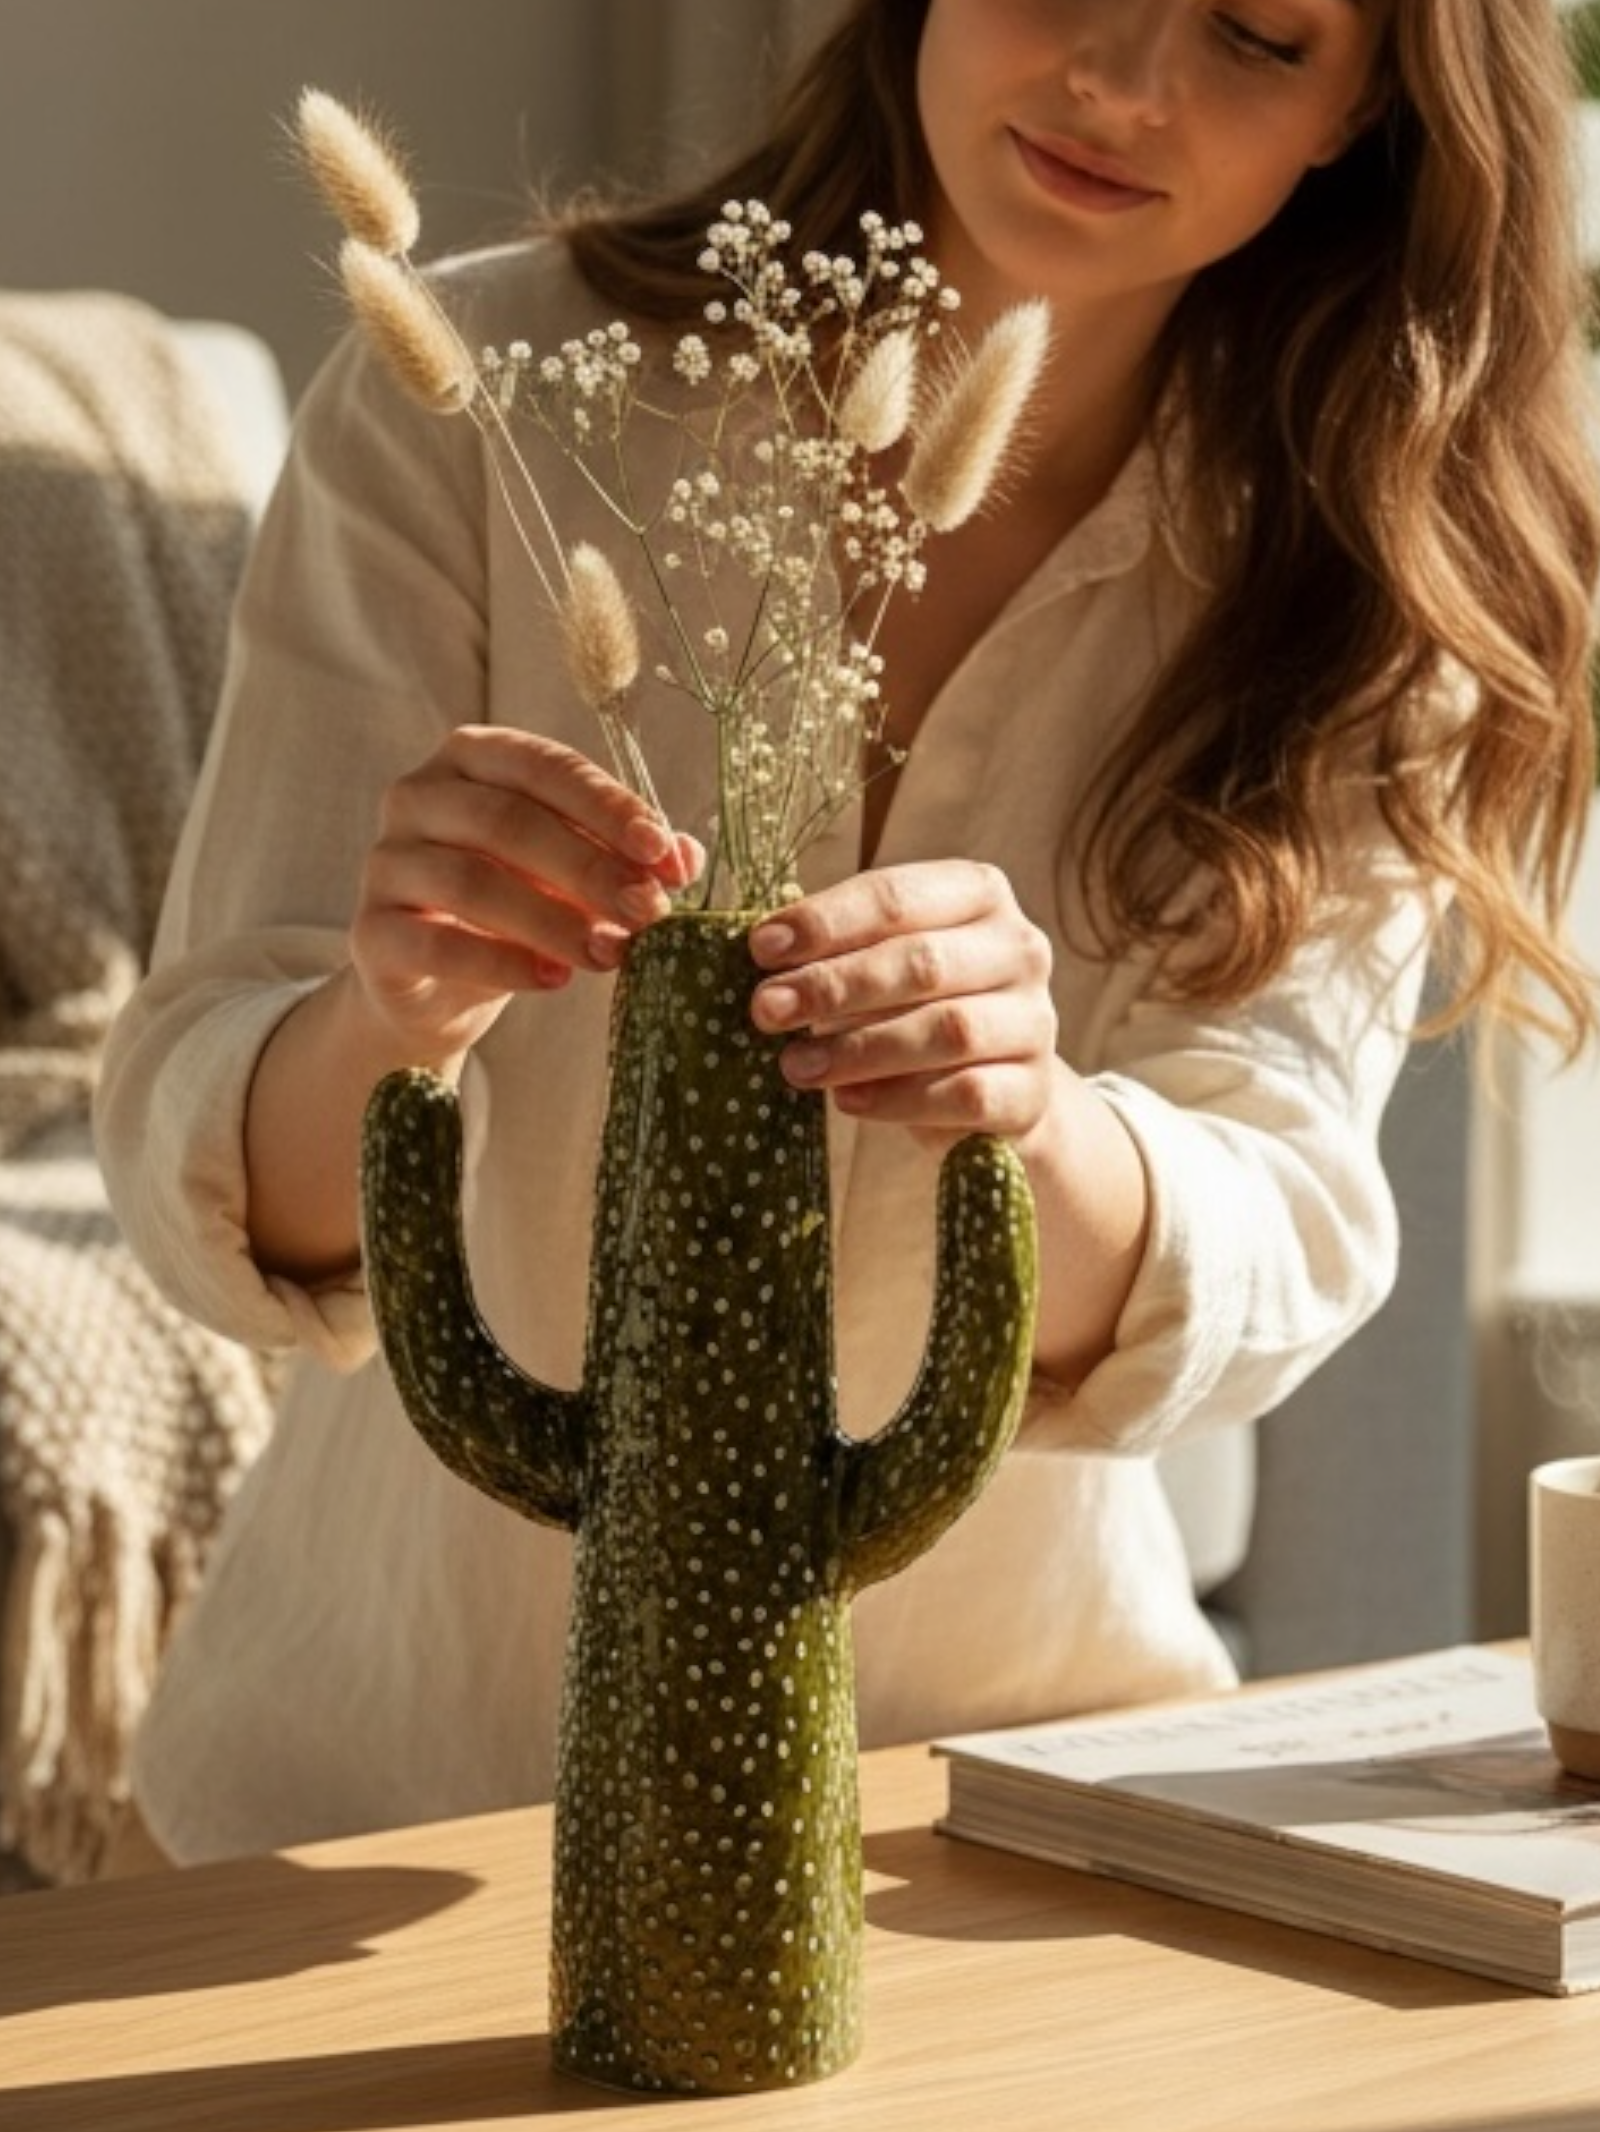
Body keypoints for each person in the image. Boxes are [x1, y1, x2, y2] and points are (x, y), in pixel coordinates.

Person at [95, 0, 1600, 1867]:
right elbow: (206, 1176)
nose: (1125, 86)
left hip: (990, 1821)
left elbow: (1277, 1223)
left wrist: (1030, 1113)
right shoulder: (485, 392)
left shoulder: (1371, 586)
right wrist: (391, 1008)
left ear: (1367, 100)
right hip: (363, 1796)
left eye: (1256, 35)